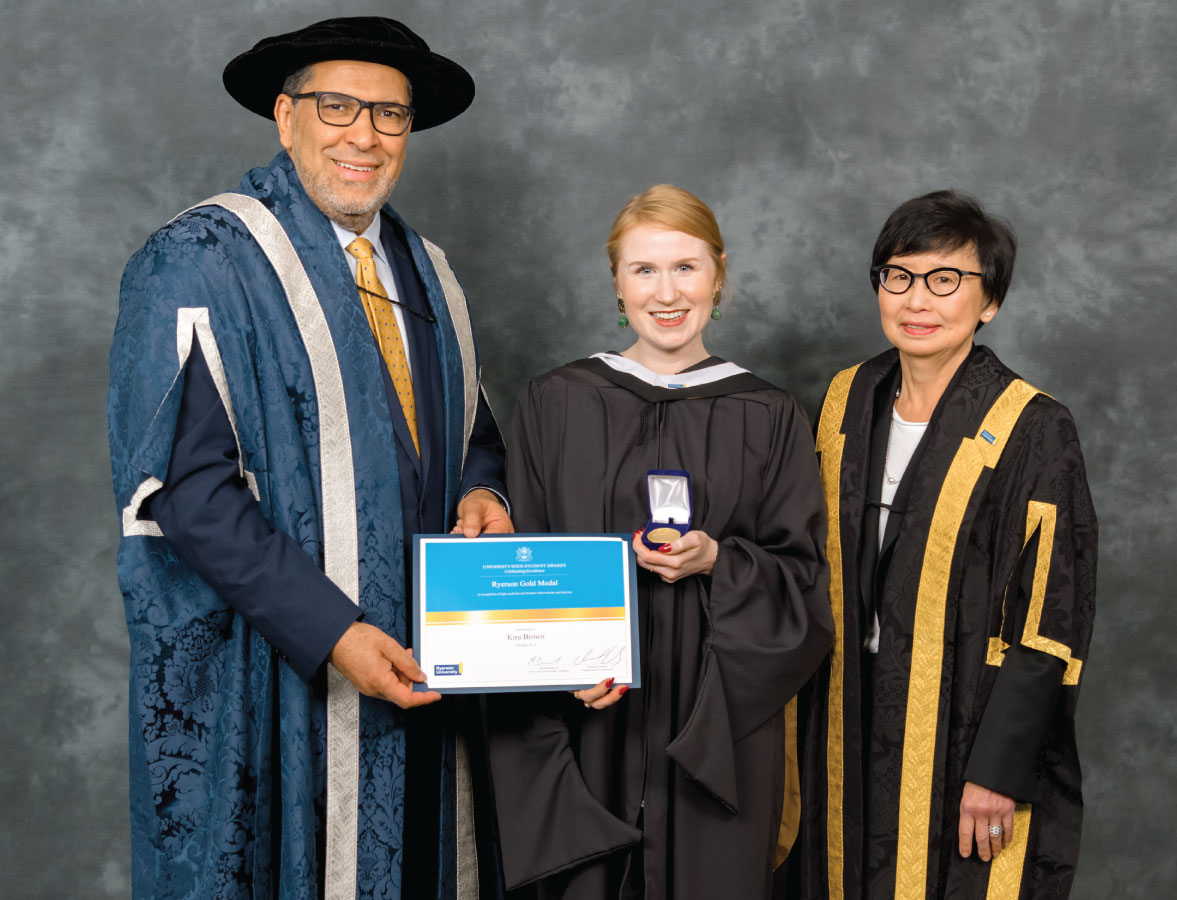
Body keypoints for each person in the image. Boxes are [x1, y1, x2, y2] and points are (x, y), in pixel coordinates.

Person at [107, 17, 513, 900]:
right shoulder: (201, 260)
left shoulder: (429, 272)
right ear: (285, 117)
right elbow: (188, 490)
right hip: (272, 676)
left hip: (417, 660)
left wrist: (486, 490)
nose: (363, 135)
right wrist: (333, 634)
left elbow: (468, 429)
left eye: (389, 115)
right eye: (337, 106)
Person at [486, 185, 834, 899]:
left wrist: (718, 560)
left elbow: (805, 584)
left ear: (719, 276)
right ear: (616, 282)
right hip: (591, 717)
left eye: (686, 267)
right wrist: (557, 667)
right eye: (644, 270)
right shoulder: (557, 404)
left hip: (718, 732)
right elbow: (521, 568)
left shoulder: (769, 415)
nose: (666, 291)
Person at [798, 190, 1098, 899]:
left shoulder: (1033, 426)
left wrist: (1000, 768)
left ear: (989, 301)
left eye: (946, 279)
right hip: (847, 707)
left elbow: (1051, 617)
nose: (917, 299)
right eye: (898, 276)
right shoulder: (847, 399)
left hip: (965, 719)